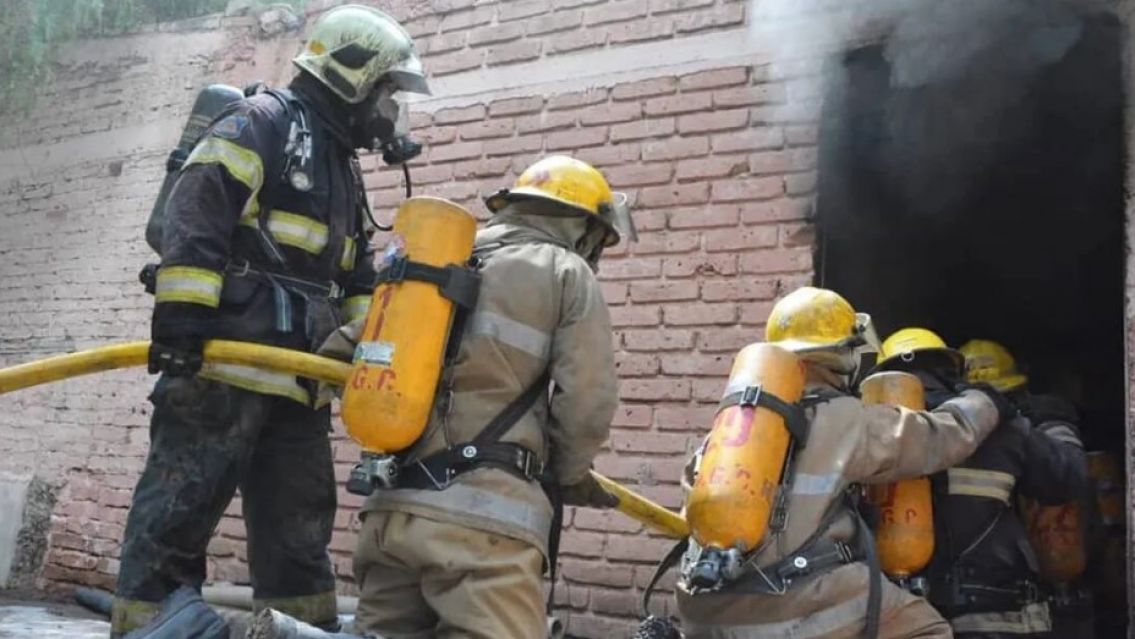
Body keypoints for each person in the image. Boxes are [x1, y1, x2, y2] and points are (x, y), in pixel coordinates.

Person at [111, 6, 430, 636]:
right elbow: (195, 220)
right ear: (354, 76)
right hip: (219, 376)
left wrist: (362, 362)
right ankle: (143, 627)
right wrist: (179, 333)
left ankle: (296, 632)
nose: (392, 112)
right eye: (389, 92)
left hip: (296, 388)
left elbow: (355, 283)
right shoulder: (261, 123)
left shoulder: (343, 169)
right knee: (173, 525)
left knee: (299, 543)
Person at [321, 155, 635, 639]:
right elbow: (588, 402)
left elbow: (345, 349)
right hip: (482, 531)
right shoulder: (565, 272)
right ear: (583, 229)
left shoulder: (437, 258)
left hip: (392, 515)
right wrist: (567, 474)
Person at [674, 288, 1007, 639]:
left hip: (702, 605)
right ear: (843, 355)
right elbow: (939, 438)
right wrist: (984, 401)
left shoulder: (734, 423)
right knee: (928, 629)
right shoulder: (844, 418)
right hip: (789, 605)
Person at [876, 331, 1089, 639]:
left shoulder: (871, 436)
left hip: (908, 620)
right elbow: (1069, 480)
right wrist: (1056, 424)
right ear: (951, 371)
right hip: (1000, 620)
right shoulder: (1002, 427)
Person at [957, 339, 1096, 639]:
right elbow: (1071, 477)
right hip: (1006, 609)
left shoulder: (941, 443)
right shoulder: (1015, 438)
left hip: (988, 608)